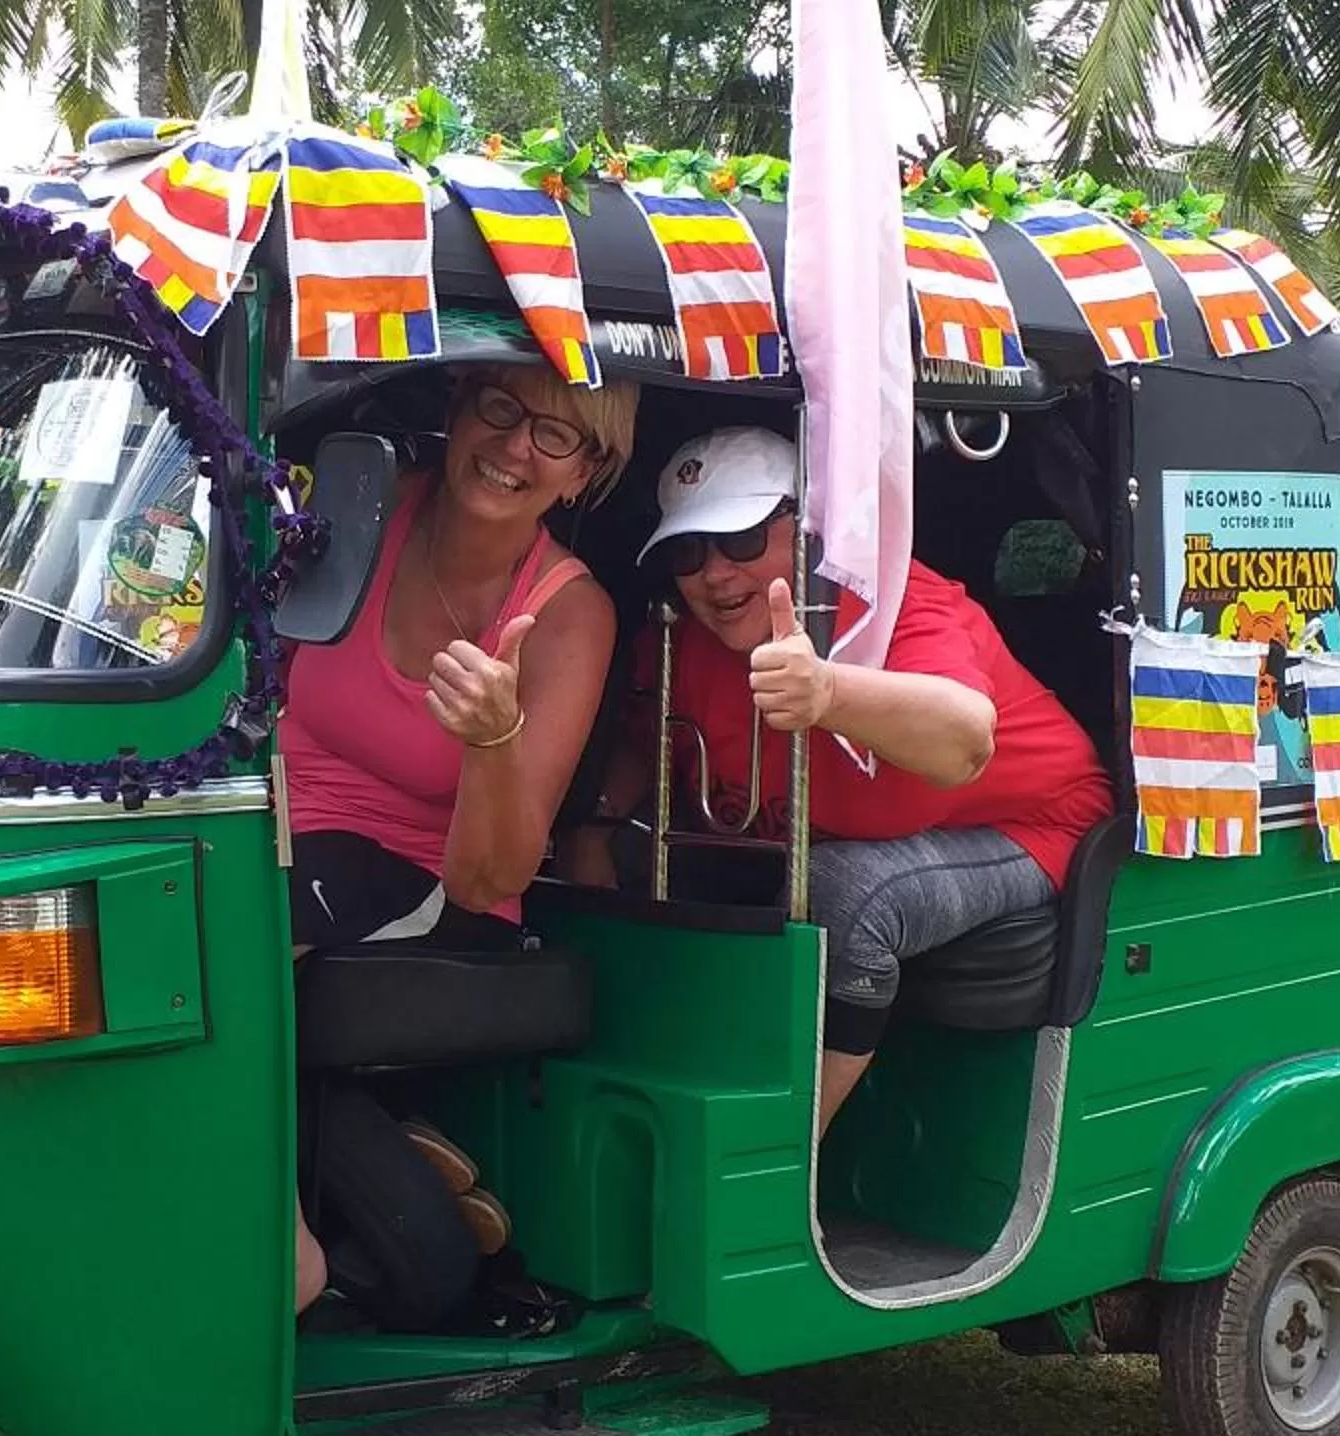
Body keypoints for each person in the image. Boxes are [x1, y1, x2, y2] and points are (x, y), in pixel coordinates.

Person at [562, 427, 1112, 1143]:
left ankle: (781, 1159)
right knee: (631, 860)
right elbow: (643, 738)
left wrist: (826, 691)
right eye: (687, 553)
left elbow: (964, 738)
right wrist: (595, 830)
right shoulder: (681, 639)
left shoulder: (902, 604)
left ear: (809, 527)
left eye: (744, 539)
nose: (716, 575)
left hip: (1030, 825)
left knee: (851, 892)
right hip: (819, 835)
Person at [277, 362, 638, 1312]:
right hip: (271, 832)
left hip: (429, 879)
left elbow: (494, 875)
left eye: (556, 436)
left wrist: (493, 739)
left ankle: (284, 1253)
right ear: (460, 408)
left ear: (584, 472)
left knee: (229, 940)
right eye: (503, 411)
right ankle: (379, 1159)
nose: (517, 447)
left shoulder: (567, 613)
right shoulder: (366, 512)